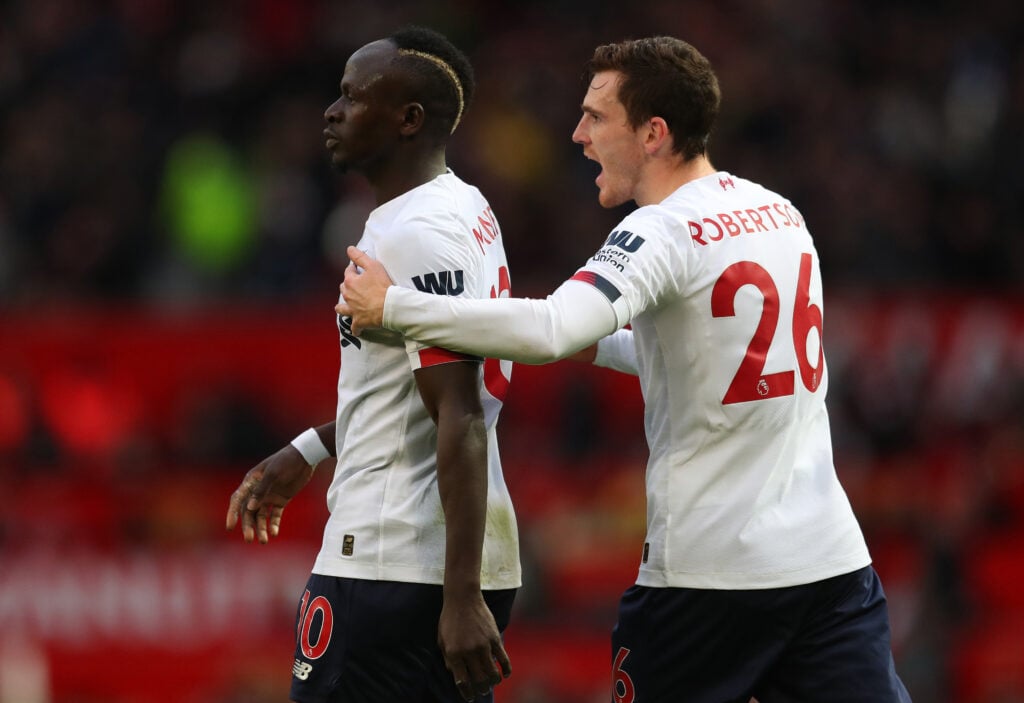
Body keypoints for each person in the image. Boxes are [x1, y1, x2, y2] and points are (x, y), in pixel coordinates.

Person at [337, 36, 911, 703]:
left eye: (596, 117)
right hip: (830, 567)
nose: (578, 135)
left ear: (653, 134)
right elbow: (711, 360)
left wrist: (393, 305)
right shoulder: (778, 212)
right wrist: (595, 342)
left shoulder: (659, 231)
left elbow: (552, 328)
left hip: (709, 580)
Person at [225, 26, 520, 703]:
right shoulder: (465, 207)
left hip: (393, 563)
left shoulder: (418, 232)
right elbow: (419, 393)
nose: (332, 112)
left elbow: (460, 411)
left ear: (408, 119)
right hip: (423, 565)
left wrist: (460, 596)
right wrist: (311, 446)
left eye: (354, 97)